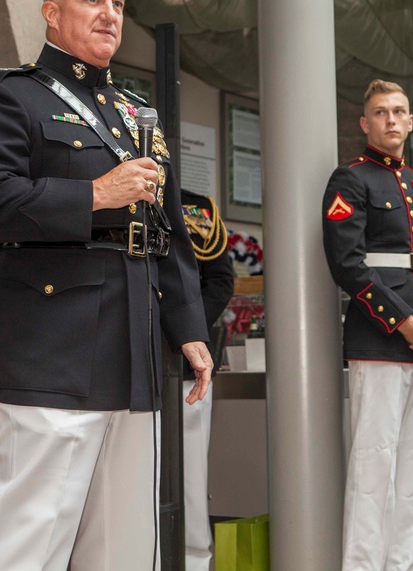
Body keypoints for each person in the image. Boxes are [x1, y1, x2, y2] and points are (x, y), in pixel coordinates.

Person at [0, 0, 213, 570]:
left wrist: (191, 329)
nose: (110, 14)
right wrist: (95, 194)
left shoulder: (135, 111)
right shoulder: (11, 94)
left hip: (138, 351)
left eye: (118, 4)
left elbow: (167, 228)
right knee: (27, 542)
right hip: (55, 348)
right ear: (52, 13)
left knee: (126, 547)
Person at [321, 79, 413, 571]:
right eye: (381, 113)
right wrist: (405, 323)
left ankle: (402, 564)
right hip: (380, 338)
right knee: (374, 463)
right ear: (365, 123)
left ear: (411, 121)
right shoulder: (350, 179)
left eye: (399, 111)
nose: (391, 120)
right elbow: (348, 264)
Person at [179, 188, 234, 571]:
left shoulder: (196, 207)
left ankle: (195, 561)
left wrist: (187, 330)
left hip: (186, 367)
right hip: (122, 357)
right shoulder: (103, 183)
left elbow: (220, 280)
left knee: (191, 478)